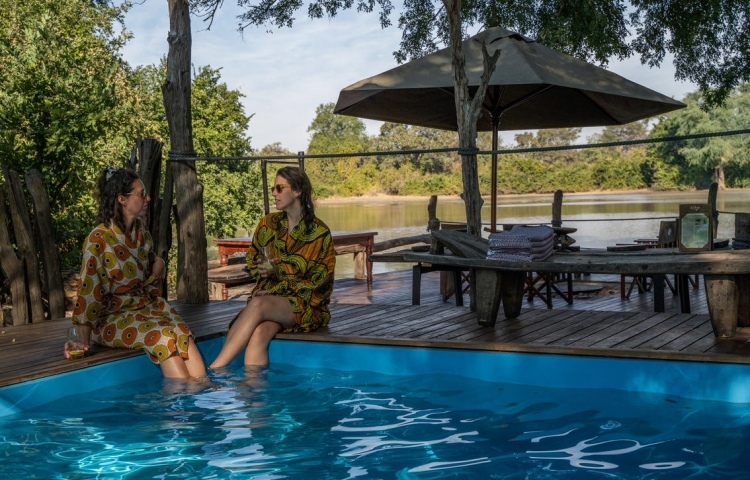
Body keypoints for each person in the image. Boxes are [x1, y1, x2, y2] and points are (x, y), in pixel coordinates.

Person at [64, 167, 207, 379]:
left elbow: (149, 261)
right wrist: (81, 340)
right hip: (112, 317)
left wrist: (159, 262)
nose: (147, 198)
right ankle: (182, 402)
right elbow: (89, 293)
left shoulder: (140, 229)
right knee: (163, 336)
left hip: (144, 307)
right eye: (141, 194)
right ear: (122, 199)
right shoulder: (98, 240)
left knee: (181, 332)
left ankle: (204, 390)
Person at [210, 166, 335, 369]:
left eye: (279, 188)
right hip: (271, 300)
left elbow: (319, 284)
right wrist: (258, 269)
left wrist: (276, 279)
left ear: (297, 191)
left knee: (258, 305)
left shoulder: (318, 232)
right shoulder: (268, 224)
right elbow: (252, 260)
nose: (274, 194)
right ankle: (256, 395)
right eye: (273, 189)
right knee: (260, 333)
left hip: (307, 305)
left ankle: (215, 369)